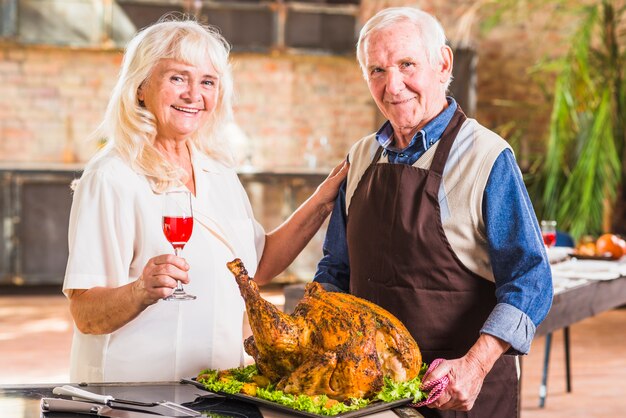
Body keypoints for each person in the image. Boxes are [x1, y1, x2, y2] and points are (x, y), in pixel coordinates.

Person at [63, 18, 348, 383]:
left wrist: (323, 201)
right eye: (177, 78)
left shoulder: (217, 171)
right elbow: (85, 313)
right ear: (140, 87)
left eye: (207, 82)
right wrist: (140, 291)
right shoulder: (112, 176)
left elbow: (256, 267)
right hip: (135, 395)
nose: (193, 94)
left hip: (216, 388)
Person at [314, 7, 552, 417]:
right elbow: (336, 271)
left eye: (407, 64)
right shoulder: (361, 157)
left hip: (459, 395)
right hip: (371, 398)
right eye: (377, 70)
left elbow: (531, 279)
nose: (393, 85)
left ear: (442, 64)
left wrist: (474, 366)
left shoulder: (487, 157)